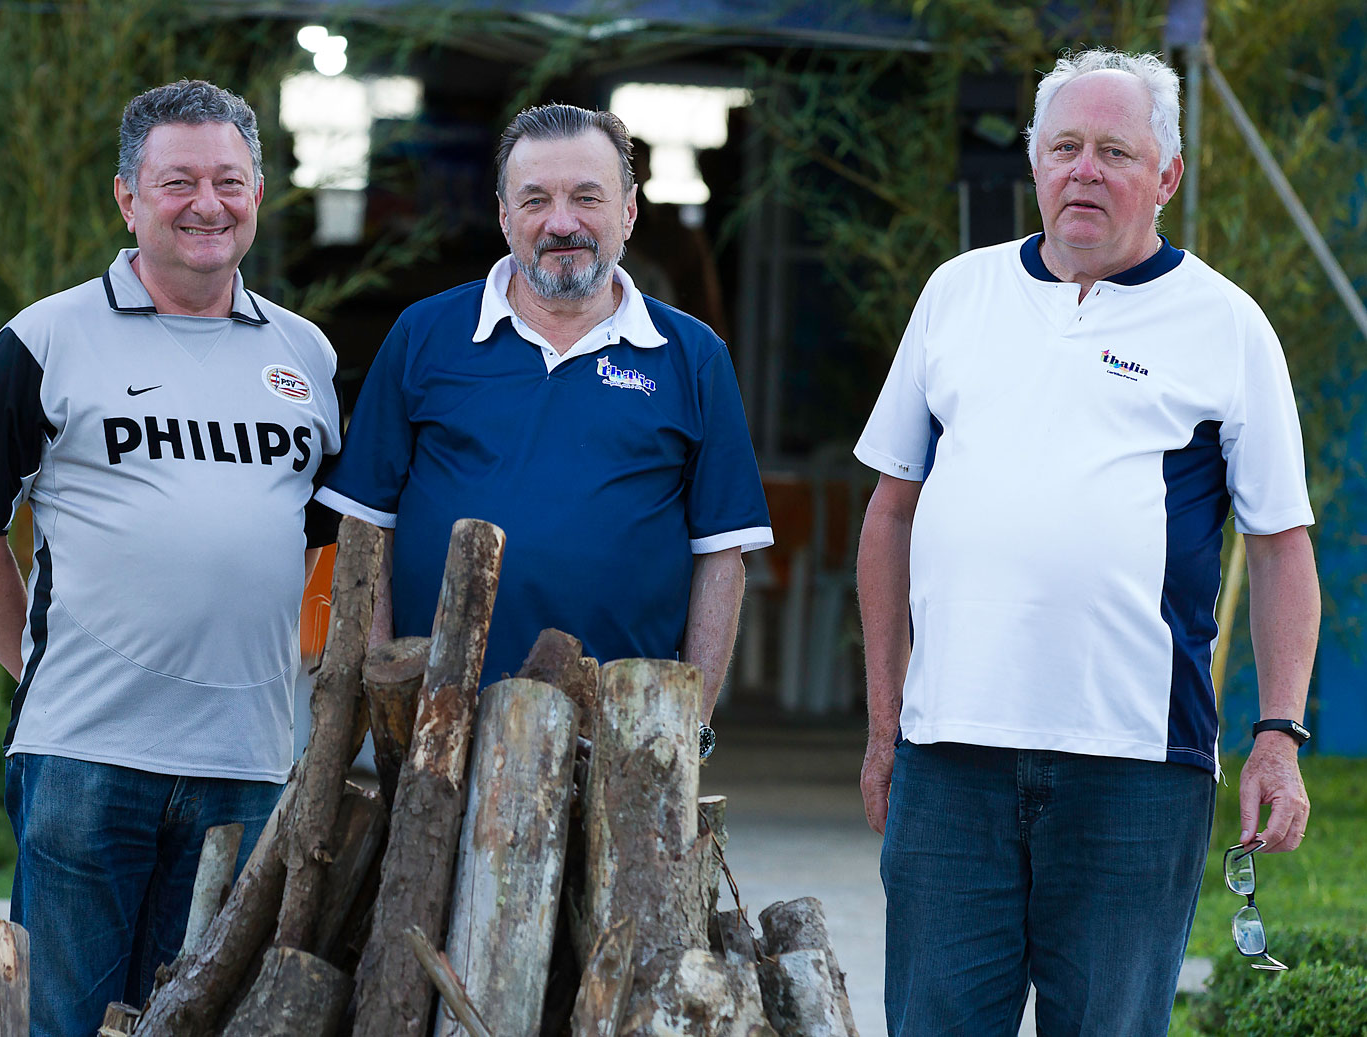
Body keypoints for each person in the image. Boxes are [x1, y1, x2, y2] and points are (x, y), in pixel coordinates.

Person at [854, 49, 1319, 1036]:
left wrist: (1277, 736)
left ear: (1167, 175)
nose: (1084, 170)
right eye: (1064, 147)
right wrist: (885, 722)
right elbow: (889, 512)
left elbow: (1281, 546)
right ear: (1034, 161)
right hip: (950, 758)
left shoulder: (1227, 325)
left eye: (1115, 151)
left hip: (1135, 765)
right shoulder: (956, 294)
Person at [0, 80, 342, 1036]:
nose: (207, 204)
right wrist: (40, 669)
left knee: (203, 1020)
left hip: (245, 760)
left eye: (228, 181)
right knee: (66, 1023)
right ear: (127, 197)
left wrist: (306, 683)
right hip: (86, 757)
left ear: (258, 192)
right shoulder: (47, 337)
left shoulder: (307, 355)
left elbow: (326, 545)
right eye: (177, 181)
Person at [319, 103, 772, 729]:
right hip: (440, 725)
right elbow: (365, 531)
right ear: (505, 217)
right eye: (536, 200)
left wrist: (687, 728)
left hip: (621, 733)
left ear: (628, 211)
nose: (562, 223)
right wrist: (386, 705)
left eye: (587, 198)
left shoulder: (692, 357)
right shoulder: (424, 335)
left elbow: (721, 558)